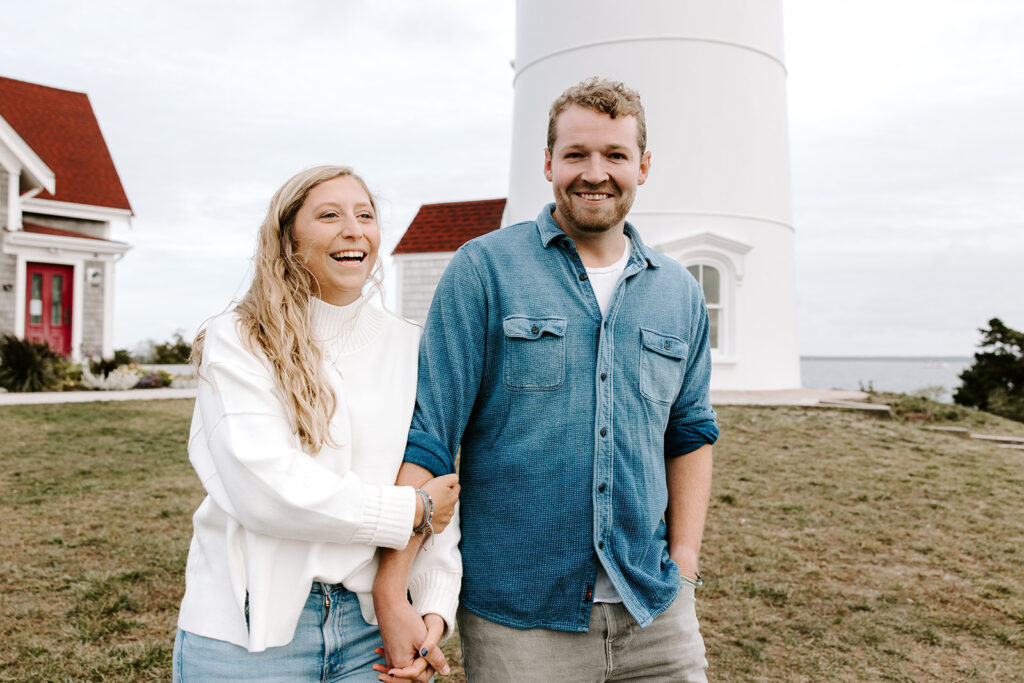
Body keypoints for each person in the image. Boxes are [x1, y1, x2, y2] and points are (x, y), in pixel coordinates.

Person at [374, 77, 719, 682]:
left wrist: (684, 565)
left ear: (642, 165)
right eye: (576, 154)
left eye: (614, 155)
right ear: (547, 163)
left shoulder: (680, 292)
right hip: (519, 619)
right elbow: (431, 434)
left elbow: (690, 434)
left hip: (656, 614)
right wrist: (392, 590)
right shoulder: (483, 269)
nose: (595, 172)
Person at [171, 166, 461, 682]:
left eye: (365, 215)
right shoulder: (239, 339)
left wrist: (433, 605)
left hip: (371, 632)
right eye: (330, 215)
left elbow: (435, 485)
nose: (354, 230)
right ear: (288, 238)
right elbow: (267, 487)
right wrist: (412, 511)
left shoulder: (412, 345)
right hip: (245, 634)